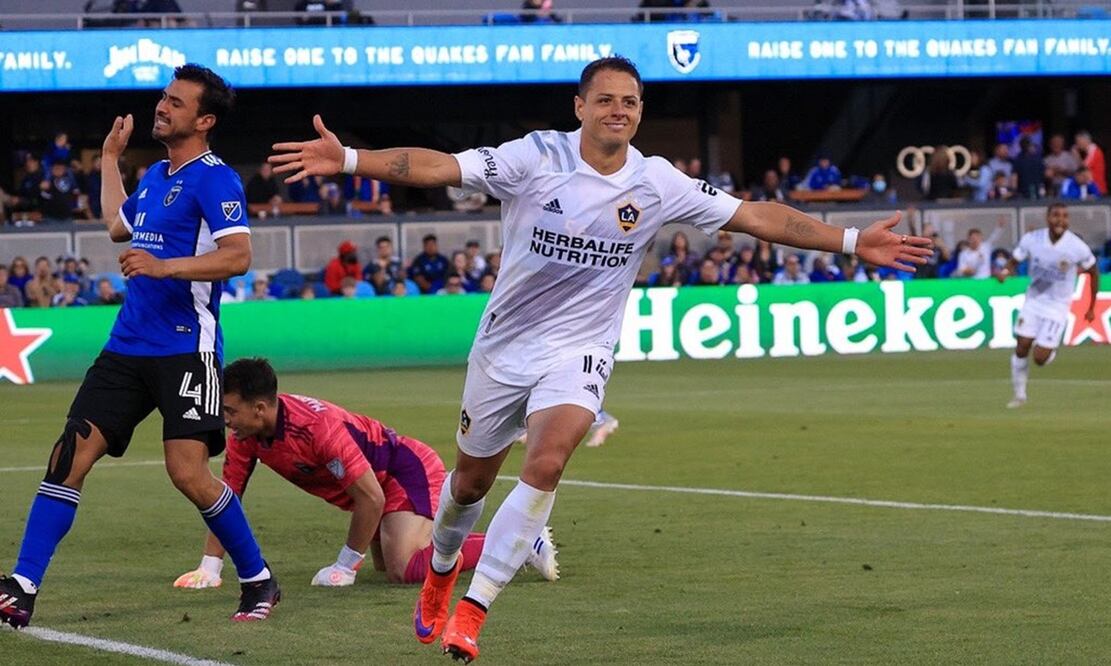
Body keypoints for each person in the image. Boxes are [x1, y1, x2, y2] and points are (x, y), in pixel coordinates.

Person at [268, 55, 930, 662]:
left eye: (631, 102)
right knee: (467, 485)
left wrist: (848, 239)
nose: (619, 110)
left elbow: (758, 217)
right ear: (579, 106)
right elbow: (441, 167)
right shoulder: (535, 157)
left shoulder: (657, 180)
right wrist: (352, 159)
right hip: (503, 349)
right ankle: (441, 572)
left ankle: (473, 610)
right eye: (607, 100)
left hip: (579, 351)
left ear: (640, 112)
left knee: (549, 459)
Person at [0, 64, 280, 632]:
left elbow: (238, 258)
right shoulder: (154, 175)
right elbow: (115, 227)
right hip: (127, 345)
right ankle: (21, 588)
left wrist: (164, 267)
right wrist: (108, 159)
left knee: (189, 474)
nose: (162, 107)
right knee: (69, 454)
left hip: (187, 349)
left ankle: (257, 578)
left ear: (204, 120)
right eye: (163, 98)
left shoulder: (217, 179)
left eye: (176, 102)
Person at [172, 358, 559, 590]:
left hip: (404, 470)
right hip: (373, 485)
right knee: (386, 562)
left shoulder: (316, 429)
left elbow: (371, 497)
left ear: (259, 408)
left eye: (230, 411)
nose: (225, 421)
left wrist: (343, 566)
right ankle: (507, 539)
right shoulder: (246, 436)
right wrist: (211, 567)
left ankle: (522, 541)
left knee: (404, 567)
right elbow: (226, 498)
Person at [996, 203, 1099, 408]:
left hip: (1057, 306)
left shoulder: (1076, 246)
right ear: (1048, 217)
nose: (1060, 220)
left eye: (1064, 216)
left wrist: (1091, 307)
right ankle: (1020, 395)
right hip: (1033, 301)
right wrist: (1005, 273)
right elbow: (1014, 261)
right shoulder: (1032, 239)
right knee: (1022, 344)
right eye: (1056, 215)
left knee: (1040, 359)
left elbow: (1093, 272)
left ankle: (1050, 349)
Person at [1073, 130, 1107, 195]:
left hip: (1098, 188)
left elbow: (1084, 168)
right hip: (1089, 187)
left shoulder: (1094, 150)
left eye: (1078, 141)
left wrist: (1076, 155)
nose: (1077, 144)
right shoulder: (1087, 152)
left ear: (1085, 140)